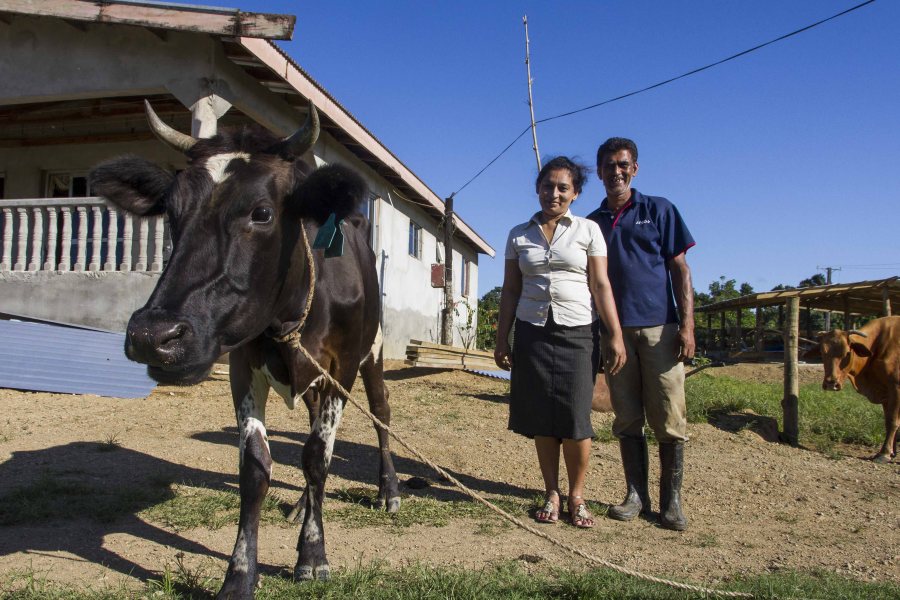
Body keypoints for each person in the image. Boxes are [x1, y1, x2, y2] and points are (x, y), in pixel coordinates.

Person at [494, 156, 626, 528]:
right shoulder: (519, 234)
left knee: (574, 417)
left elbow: (600, 285)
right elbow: (510, 290)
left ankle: (576, 495)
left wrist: (614, 334)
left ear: (576, 193)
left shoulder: (588, 231)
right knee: (542, 419)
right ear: (537, 189)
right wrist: (502, 337)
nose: (554, 193)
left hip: (578, 332)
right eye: (548, 186)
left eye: (563, 187)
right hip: (533, 331)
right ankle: (552, 491)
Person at [586, 137, 696, 531]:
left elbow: (680, 270)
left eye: (623, 164)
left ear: (635, 169)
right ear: (599, 172)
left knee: (669, 416)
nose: (616, 171)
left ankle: (671, 502)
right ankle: (636, 494)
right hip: (614, 334)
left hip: (659, 330)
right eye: (609, 165)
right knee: (627, 417)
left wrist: (687, 325)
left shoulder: (659, 210)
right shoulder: (591, 223)